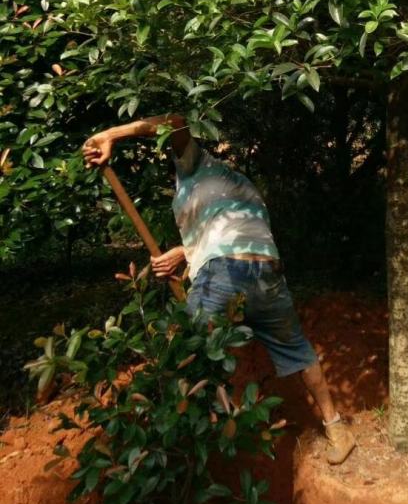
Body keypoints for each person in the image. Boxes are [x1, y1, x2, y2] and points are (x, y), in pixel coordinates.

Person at [82, 112, 355, 465]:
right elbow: (228, 232)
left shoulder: (197, 166)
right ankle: (336, 428)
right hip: (267, 273)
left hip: (224, 273)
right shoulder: (239, 188)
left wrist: (111, 134)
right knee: (299, 351)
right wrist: (182, 255)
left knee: (186, 352)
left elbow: (173, 121)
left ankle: (183, 454)